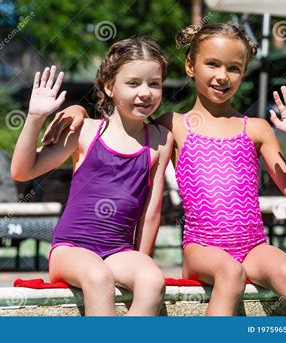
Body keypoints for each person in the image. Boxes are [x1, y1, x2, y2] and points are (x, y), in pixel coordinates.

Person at [42, 23, 286, 316]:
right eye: (212, 64)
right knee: (231, 273)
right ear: (190, 66)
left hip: (254, 245)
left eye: (234, 68)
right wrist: (78, 110)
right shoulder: (172, 126)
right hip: (201, 248)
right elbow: (119, 123)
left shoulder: (257, 129)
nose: (222, 76)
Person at [11, 37, 173, 316]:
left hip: (118, 251)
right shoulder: (85, 131)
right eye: (133, 83)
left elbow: (151, 211)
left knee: (152, 280)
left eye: (154, 83)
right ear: (109, 86)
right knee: (98, 277)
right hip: (71, 250)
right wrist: (35, 118)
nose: (145, 92)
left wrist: (139, 261)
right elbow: (22, 170)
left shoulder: (160, 138)